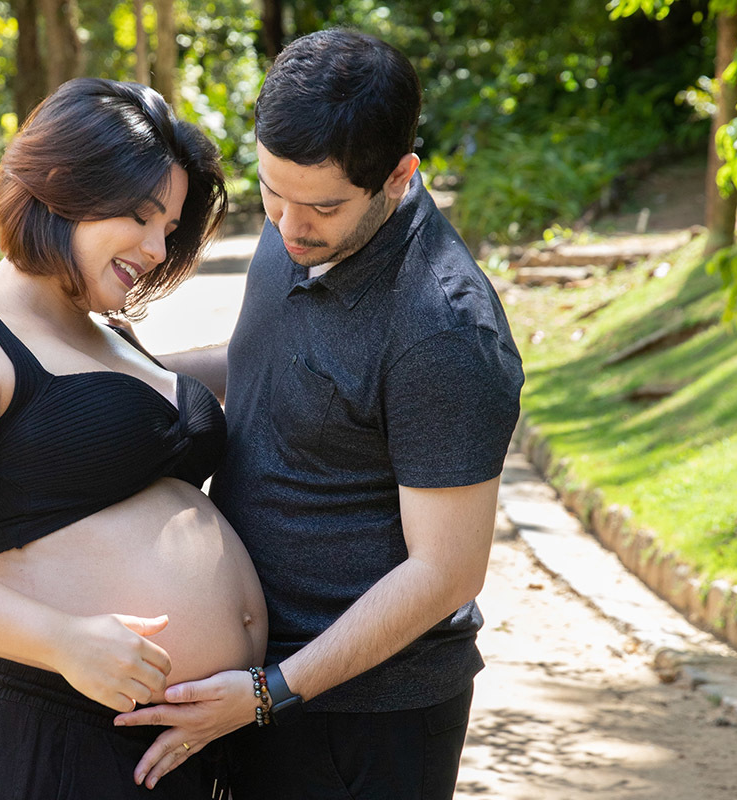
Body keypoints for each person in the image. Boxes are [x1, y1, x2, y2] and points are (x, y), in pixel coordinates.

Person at [115, 29, 524, 799]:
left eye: (322, 208)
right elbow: (259, 368)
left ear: (399, 176)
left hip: (364, 719)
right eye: (273, 192)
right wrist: (114, 377)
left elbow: (446, 570)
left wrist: (271, 691)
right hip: (256, 690)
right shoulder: (294, 228)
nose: (289, 227)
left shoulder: (443, 331)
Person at [0, 77, 265, 800]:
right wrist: (63, 641)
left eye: (167, 226)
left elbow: (209, 375)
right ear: (61, 185)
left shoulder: (103, 334)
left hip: (176, 744)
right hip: (47, 735)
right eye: (139, 215)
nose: (157, 247)